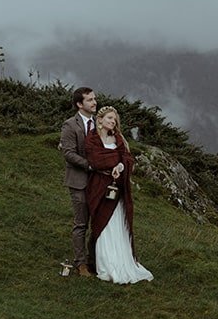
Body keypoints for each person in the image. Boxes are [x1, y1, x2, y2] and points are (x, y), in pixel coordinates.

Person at [85, 106, 153, 284]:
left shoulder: (119, 139)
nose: (112, 122)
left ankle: (120, 261)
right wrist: (114, 161)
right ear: (100, 120)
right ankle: (104, 263)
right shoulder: (92, 139)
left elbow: (127, 158)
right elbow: (95, 160)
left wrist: (120, 166)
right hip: (99, 187)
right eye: (109, 118)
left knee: (117, 223)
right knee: (102, 224)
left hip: (117, 189)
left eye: (114, 119)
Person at [60, 87, 97, 277]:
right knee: (81, 223)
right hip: (78, 181)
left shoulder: (99, 123)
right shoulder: (70, 125)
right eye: (90, 100)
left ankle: (94, 260)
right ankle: (80, 263)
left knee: (99, 222)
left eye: (94, 99)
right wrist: (89, 165)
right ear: (79, 104)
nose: (94, 102)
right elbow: (68, 153)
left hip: (98, 182)